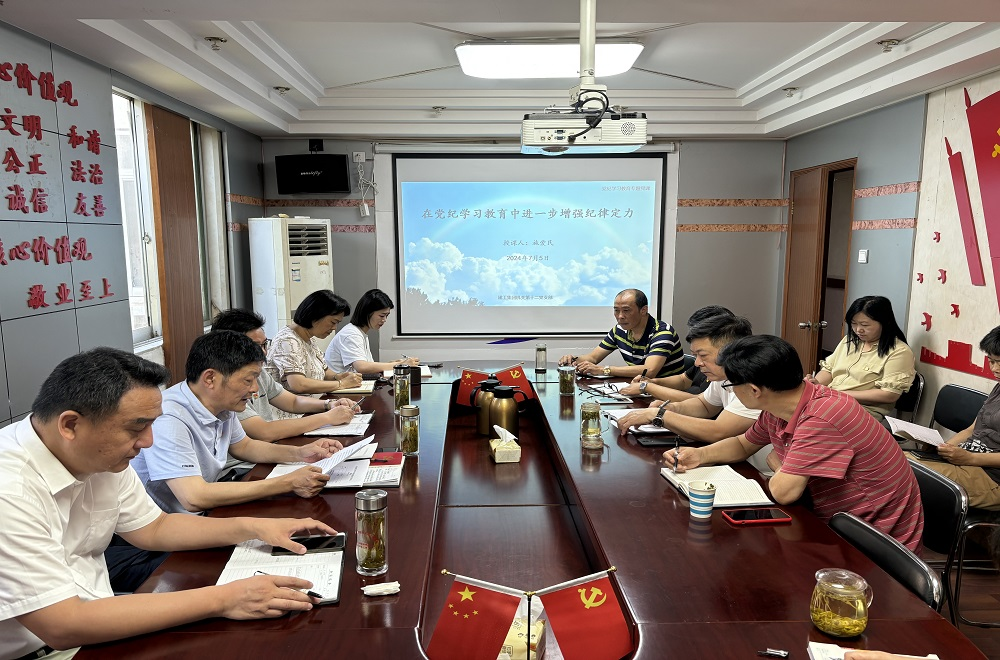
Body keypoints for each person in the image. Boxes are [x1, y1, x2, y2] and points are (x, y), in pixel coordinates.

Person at [0, 348, 337, 660]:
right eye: (136, 428)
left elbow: (155, 527)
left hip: (101, 619)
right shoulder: (10, 488)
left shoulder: (99, 456)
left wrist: (255, 528)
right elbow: (63, 624)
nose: (147, 442)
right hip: (47, 648)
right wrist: (225, 598)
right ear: (71, 425)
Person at [668, 335, 924, 551]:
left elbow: (784, 493)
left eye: (732, 385)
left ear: (755, 390)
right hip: (833, 519)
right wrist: (700, 455)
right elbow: (743, 444)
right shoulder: (784, 404)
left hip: (874, 542)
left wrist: (780, 466)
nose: (731, 390)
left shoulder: (822, 417)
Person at [132, 331, 342, 516]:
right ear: (210, 378)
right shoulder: (169, 417)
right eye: (248, 380)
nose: (254, 389)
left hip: (202, 513)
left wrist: (301, 454)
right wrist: (288, 482)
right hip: (166, 526)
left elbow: (245, 446)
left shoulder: (221, 403)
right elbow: (193, 497)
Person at [614, 315, 774, 475]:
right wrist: (672, 408)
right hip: (739, 462)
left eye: (703, 355)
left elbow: (719, 431)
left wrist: (659, 415)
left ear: (731, 353)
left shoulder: (754, 386)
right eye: (695, 355)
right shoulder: (724, 376)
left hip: (762, 473)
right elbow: (704, 405)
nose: (697, 363)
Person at [211, 308, 358, 440]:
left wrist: (329, 404)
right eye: (255, 346)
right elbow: (263, 432)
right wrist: (327, 417)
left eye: (264, 344)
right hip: (254, 455)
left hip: (267, 449)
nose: (263, 352)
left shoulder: (260, 373)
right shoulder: (225, 384)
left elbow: (292, 402)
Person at [911, 325, 1000, 510]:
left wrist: (970, 458)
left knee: (908, 474)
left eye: (999, 362)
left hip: (991, 477)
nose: (994, 368)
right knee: (895, 459)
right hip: (968, 458)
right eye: (991, 361)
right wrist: (945, 447)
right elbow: (972, 429)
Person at [808, 295, 915, 424]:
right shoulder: (849, 341)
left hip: (862, 410)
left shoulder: (899, 352)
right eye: (854, 324)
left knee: (811, 421)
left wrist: (838, 394)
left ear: (884, 322)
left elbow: (889, 394)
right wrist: (816, 384)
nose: (858, 330)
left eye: (865, 325)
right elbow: (829, 369)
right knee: (793, 407)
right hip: (830, 400)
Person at [557, 288, 685, 379]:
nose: (620, 316)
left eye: (626, 310)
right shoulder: (619, 330)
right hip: (640, 388)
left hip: (667, 393)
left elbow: (649, 371)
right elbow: (593, 358)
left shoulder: (662, 333)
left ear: (643, 310)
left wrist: (603, 370)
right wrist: (573, 360)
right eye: (616, 310)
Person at [618, 305, 735, 401]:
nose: (697, 362)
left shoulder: (727, 373)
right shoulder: (703, 362)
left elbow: (700, 402)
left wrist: (648, 387)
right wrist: (652, 382)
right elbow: (683, 380)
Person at [265, 289, 364, 397]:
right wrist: (341, 384)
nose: (334, 328)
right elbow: (298, 384)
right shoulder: (288, 341)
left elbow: (324, 371)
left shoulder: (309, 338)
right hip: (293, 406)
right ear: (314, 316)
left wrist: (338, 377)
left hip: (312, 401)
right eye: (333, 322)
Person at [325, 288, 419, 374]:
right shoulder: (351, 334)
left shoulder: (360, 333)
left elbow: (367, 365)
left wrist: (394, 363)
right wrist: (399, 365)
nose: (384, 320)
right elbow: (362, 367)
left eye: (387, 316)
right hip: (339, 385)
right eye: (382, 316)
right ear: (367, 313)